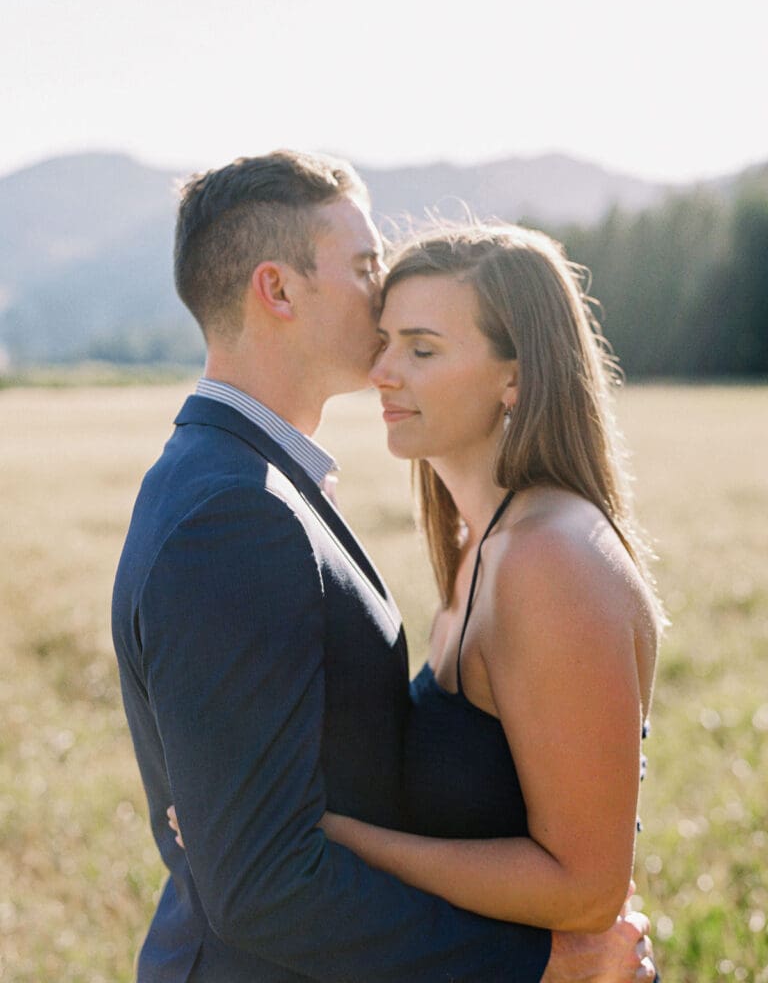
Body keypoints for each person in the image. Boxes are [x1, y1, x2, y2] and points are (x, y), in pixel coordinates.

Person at [112, 149, 655, 981]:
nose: (380, 304)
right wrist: (540, 965)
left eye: (424, 346)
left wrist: (331, 827)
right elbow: (263, 882)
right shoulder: (235, 508)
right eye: (365, 267)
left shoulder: (248, 483)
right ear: (279, 290)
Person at [312, 224, 663, 939]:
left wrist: (334, 842)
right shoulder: (483, 539)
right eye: (384, 342)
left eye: (422, 348)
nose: (383, 371)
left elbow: (588, 890)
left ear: (516, 375)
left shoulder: (550, 562)